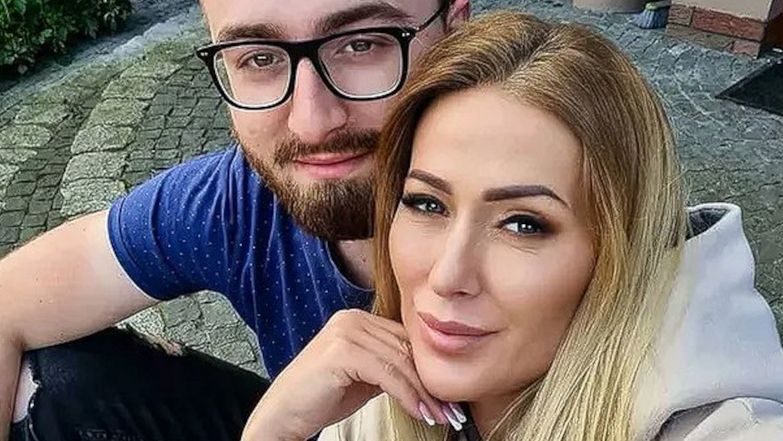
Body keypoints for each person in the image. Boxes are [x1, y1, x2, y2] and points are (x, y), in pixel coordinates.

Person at [238, 11, 783, 441]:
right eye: (427, 204)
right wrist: (273, 430)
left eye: (523, 225)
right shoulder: (375, 393)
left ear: (619, 248)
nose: (448, 276)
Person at [0, 1, 470, 440]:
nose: (312, 122)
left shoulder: (520, 196)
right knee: (54, 386)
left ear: (456, 24)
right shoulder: (242, 202)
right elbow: (10, 302)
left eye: (362, 44)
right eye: (259, 58)